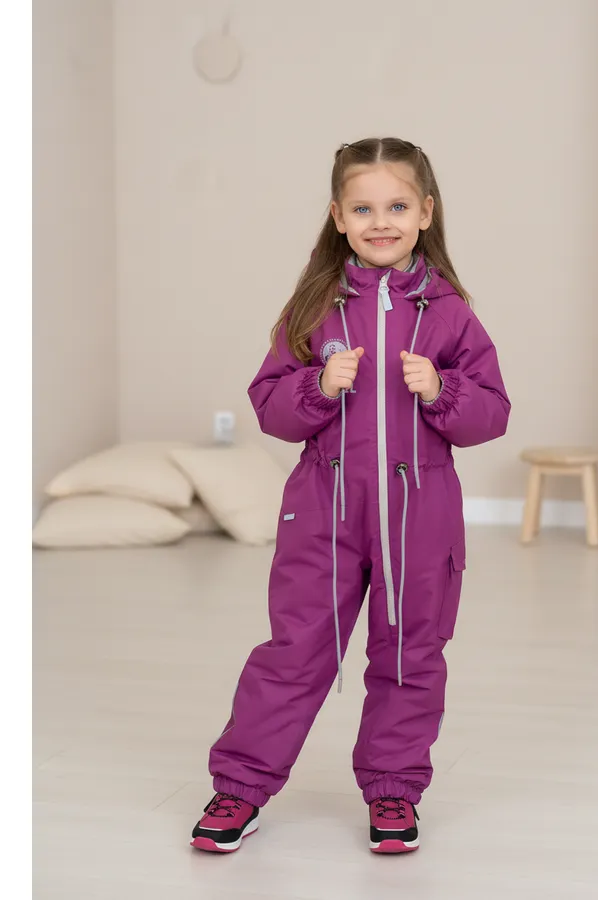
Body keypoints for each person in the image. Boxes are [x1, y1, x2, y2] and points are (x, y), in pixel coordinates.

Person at [191, 137, 510, 855]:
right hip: (323, 509)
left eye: (397, 206)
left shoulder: (450, 313)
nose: (380, 222)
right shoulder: (313, 308)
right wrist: (316, 385)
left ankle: (394, 788)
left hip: (421, 514)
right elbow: (271, 406)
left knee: (410, 654)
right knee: (294, 650)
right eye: (363, 209)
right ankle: (240, 786)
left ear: (426, 212)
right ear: (338, 216)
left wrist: (443, 390)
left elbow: (491, 413)